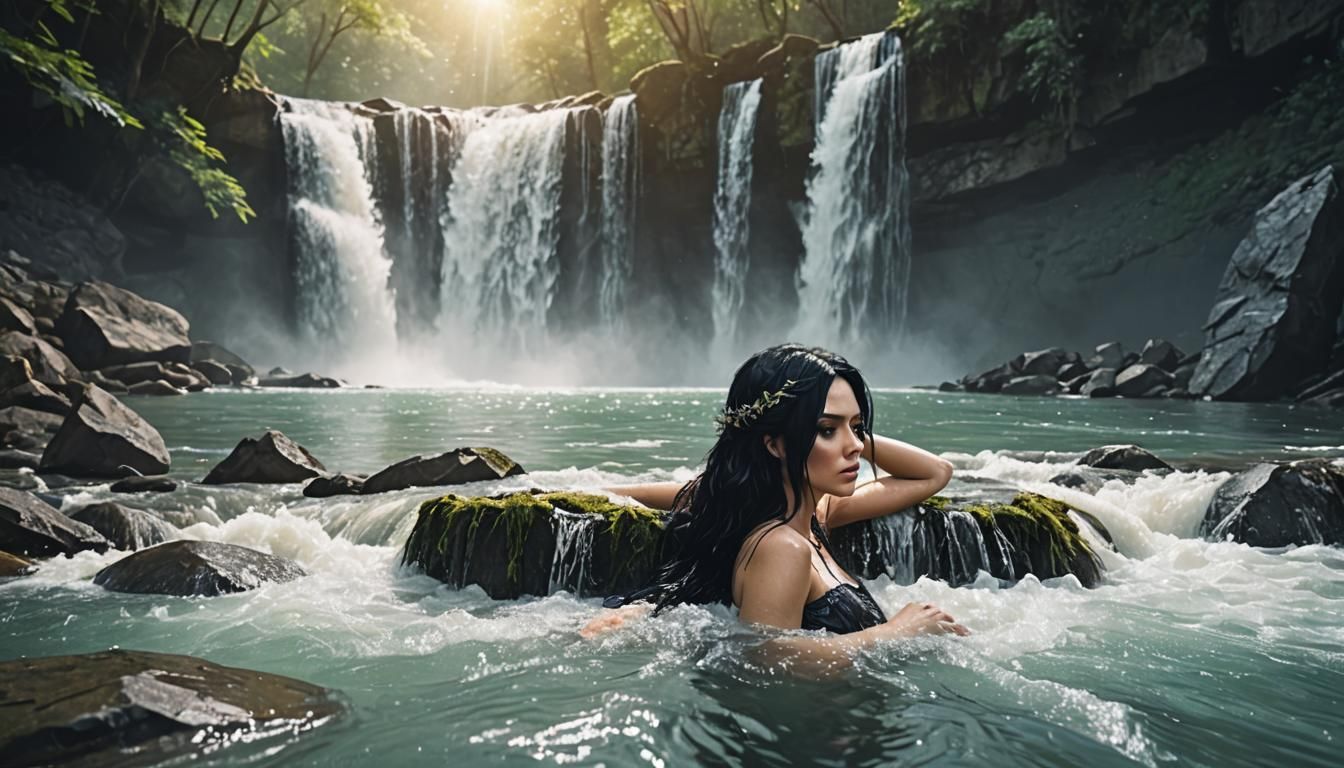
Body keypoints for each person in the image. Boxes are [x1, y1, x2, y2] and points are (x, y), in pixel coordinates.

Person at [583, 344, 968, 662]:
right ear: (774, 444)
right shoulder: (782, 547)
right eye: (827, 430)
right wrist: (894, 633)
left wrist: (844, 433)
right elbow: (765, 660)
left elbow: (934, 473)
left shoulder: (816, 515)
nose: (853, 447)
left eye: (858, 427)